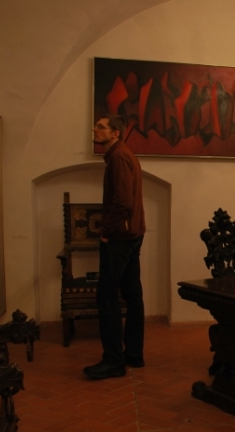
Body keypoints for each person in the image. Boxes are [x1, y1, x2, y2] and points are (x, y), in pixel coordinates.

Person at [83, 115, 146, 379]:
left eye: (101, 127)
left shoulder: (119, 157)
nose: (95, 129)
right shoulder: (122, 155)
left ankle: (113, 361)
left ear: (115, 133)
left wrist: (105, 231)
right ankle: (134, 355)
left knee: (107, 298)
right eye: (96, 126)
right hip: (132, 233)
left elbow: (122, 201)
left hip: (120, 236)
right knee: (133, 295)